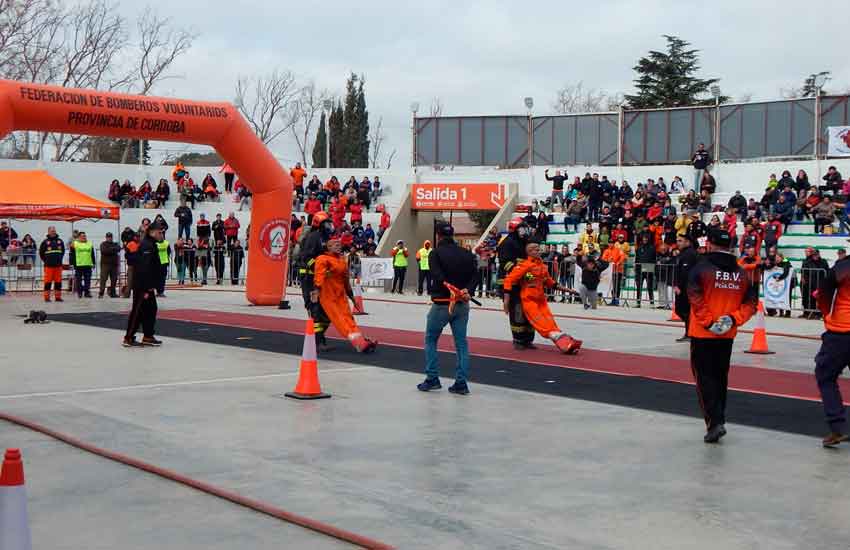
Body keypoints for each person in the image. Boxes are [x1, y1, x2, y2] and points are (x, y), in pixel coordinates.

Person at [687, 228, 758, 443]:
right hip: (727, 334)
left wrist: (709, 322)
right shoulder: (741, 272)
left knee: (704, 378)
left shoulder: (701, 268)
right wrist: (732, 319)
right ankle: (720, 419)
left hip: (703, 332)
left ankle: (714, 422)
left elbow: (694, 296)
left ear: (709, 243)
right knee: (720, 378)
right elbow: (751, 303)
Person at [417, 224, 477, 394]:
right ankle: (461, 382)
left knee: (430, 340)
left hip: (442, 302)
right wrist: (467, 290)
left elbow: (436, 275)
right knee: (461, 344)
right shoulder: (466, 253)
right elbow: (475, 275)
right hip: (462, 304)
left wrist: (450, 286)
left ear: (438, 236)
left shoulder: (435, 253)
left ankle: (432, 378)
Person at [504, 241, 582, 354]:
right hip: (529, 300)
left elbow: (550, 283)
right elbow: (509, 280)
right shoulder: (525, 265)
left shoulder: (542, 266)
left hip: (541, 301)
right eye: (536, 249)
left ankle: (566, 343)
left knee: (551, 323)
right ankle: (564, 343)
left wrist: (569, 290)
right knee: (543, 325)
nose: (539, 250)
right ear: (530, 252)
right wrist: (506, 301)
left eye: (538, 248)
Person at [312, 237, 377, 353]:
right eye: (335, 244)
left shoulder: (342, 260)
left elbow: (345, 280)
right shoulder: (322, 259)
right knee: (340, 320)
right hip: (328, 295)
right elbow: (319, 276)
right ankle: (358, 343)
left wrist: (351, 296)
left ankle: (361, 340)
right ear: (328, 247)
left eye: (339, 244)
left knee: (349, 318)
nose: (338, 246)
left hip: (340, 295)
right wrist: (316, 291)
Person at [814, 251, 850, 447]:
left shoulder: (843, 266)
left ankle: (837, 427)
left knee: (825, 376)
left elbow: (824, 291)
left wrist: (826, 314)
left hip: (842, 331)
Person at [124, 221, 165, 348]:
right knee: (138, 310)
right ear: (152, 232)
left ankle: (148, 336)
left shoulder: (151, 244)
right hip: (142, 285)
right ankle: (129, 337)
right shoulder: (147, 245)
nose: (161, 235)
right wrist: (148, 286)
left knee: (151, 309)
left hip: (147, 284)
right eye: (159, 233)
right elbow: (144, 267)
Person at [498, 217, 535, 348]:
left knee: (529, 311)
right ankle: (518, 340)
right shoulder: (507, 243)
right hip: (512, 284)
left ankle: (528, 339)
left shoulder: (524, 241)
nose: (525, 230)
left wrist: (531, 275)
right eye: (522, 228)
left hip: (525, 281)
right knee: (517, 312)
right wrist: (522, 269)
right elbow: (506, 263)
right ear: (515, 229)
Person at [674, 233, 698, 341]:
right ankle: (690, 332)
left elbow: (686, 272)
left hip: (686, 288)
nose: (678, 243)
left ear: (687, 242)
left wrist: (679, 286)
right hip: (685, 287)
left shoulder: (689, 254)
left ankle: (691, 333)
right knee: (682, 310)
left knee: (684, 310)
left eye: (680, 241)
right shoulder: (684, 253)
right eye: (677, 240)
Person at [39, 226, 65, 302]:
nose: (53, 232)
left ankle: (58, 297)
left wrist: (59, 259)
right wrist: (47, 260)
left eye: (54, 231)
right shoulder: (45, 242)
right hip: (48, 266)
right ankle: (47, 298)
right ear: (48, 232)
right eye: (51, 231)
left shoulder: (60, 241)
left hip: (58, 266)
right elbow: (41, 253)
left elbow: (62, 252)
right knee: (47, 282)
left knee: (58, 282)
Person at [72, 232, 95, 298]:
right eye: (82, 236)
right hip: (79, 265)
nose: (84, 237)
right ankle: (80, 293)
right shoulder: (75, 244)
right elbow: (72, 254)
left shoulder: (89, 243)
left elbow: (92, 254)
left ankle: (87, 292)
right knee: (78, 280)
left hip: (88, 264)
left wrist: (93, 263)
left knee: (87, 280)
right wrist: (72, 263)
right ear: (79, 237)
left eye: (85, 236)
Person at [99, 232, 121, 298]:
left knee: (114, 279)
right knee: (103, 279)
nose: (109, 238)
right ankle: (101, 293)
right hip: (105, 264)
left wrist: (111, 249)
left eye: (110, 237)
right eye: (108, 237)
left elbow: (119, 249)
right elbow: (104, 251)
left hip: (114, 265)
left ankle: (113, 293)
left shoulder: (115, 243)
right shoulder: (103, 244)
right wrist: (113, 249)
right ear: (106, 237)